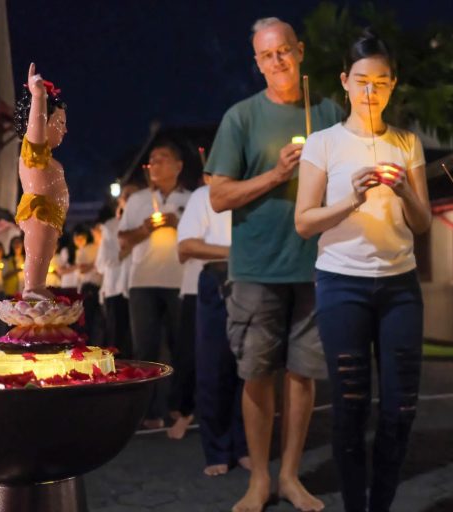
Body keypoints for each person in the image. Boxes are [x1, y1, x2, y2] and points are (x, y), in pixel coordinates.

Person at [207, 16, 344, 512]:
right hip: (258, 266)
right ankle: (259, 480)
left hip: (318, 264)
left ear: (300, 51)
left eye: (284, 50)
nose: (278, 61)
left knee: (303, 375)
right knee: (257, 374)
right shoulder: (241, 118)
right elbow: (219, 195)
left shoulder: (328, 113)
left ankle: (290, 475)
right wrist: (276, 174)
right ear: (257, 63)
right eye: (267, 55)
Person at [295, 30, 431, 512]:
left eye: (381, 82)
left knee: (401, 408)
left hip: (399, 285)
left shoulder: (406, 142)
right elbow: (304, 221)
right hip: (341, 284)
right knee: (350, 406)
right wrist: (350, 198)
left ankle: (382, 504)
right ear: (344, 83)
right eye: (361, 81)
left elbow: (422, 223)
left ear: (393, 85)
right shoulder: (323, 143)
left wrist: (404, 191)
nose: (371, 92)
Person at [118, 139, 190, 429]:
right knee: (145, 347)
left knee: (180, 345)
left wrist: (178, 223)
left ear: (178, 166)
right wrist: (145, 228)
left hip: (179, 280)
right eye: (152, 160)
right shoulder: (137, 201)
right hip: (143, 281)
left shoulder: (192, 199)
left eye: (162, 158)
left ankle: (179, 406)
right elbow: (123, 240)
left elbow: (203, 236)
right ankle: (148, 411)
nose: (155, 165)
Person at [177, 173, 246, 473]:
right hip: (216, 280)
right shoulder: (202, 196)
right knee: (213, 368)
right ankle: (217, 449)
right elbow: (186, 247)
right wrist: (238, 254)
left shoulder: (254, 190)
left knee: (251, 368)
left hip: (254, 281)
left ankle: (245, 446)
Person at [12, 63, 68, 301]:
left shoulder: (48, 160)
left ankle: (38, 284)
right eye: (61, 123)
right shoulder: (34, 152)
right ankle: (33, 286)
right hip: (40, 212)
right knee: (36, 255)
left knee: (44, 255)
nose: (65, 130)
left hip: (51, 217)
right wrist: (39, 99)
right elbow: (36, 131)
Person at [96, 184, 138, 358]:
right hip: (117, 288)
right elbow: (104, 262)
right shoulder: (111, 227)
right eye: (126, 196)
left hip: (139, 285)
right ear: (120, 201)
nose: (129, 199)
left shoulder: (148, 222)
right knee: (117, 339)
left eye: (134, 195)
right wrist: (127, 251)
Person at [74, 223, 103, 345]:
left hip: (100, 288)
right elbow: (82, 269)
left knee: (97, 321)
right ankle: (87, 345)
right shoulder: (86, 250)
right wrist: (95, 263)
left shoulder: (101, 247)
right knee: (88, 320)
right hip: (89, 286)